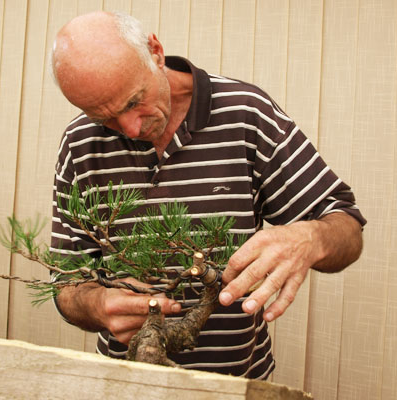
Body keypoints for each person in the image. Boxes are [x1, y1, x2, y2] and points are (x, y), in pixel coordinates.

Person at [50, 11, 365, 380]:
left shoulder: (246, 114)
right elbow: (66, 281)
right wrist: (96, 304)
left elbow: (346, 225)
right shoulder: (80, 143)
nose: (131, 129)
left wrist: (311, 238)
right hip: (126, 382)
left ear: (155, 52)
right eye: (103, 118)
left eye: (133, 102)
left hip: (237, 382)